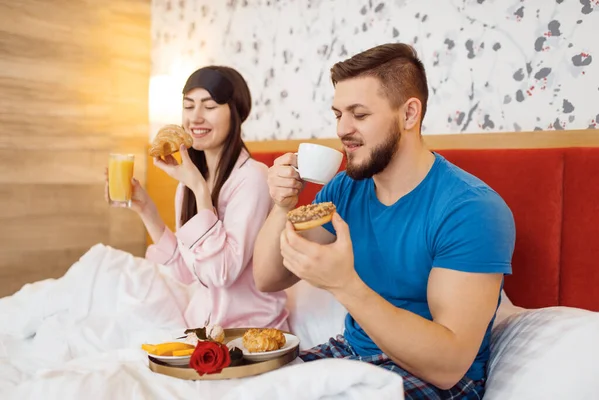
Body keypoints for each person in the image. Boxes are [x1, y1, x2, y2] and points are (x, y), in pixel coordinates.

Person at [253, 43, 515, 399]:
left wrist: (344, 284)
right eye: (338, 114)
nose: (343, 130)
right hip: (352, 355)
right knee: (241, 386)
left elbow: (448, 365)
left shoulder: (471, 209)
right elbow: (269, 277)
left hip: (432, 380)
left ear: (409, 114)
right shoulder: (344, 189)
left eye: (359, 115)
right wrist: (282, 205)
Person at [106, 66, 289, 331]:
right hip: (201, 330)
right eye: (188, 106)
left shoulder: (253, 178)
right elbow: (187, 273)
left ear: (234, 113)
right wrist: (146, 209)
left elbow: (220, 273)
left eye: (210, 106)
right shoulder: (190, 179)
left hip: (249, 332)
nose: (195, 118)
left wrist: (199, 190)